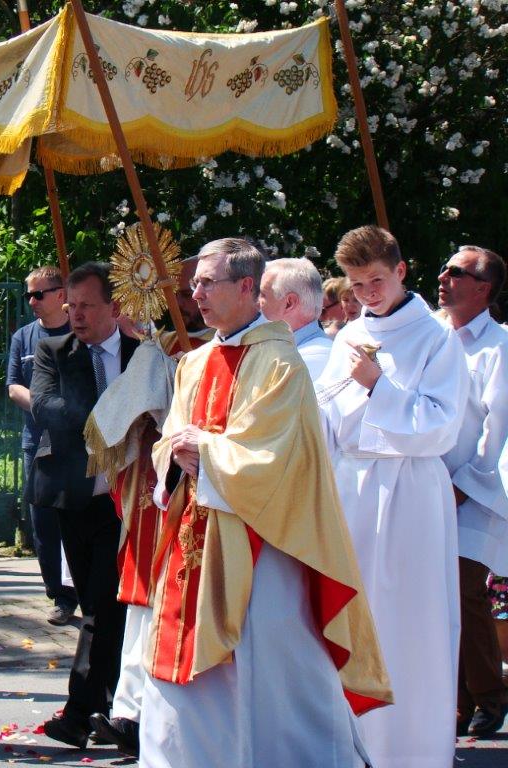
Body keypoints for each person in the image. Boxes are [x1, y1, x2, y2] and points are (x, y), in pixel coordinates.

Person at [143, 238, 391, 768]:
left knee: (270, 671)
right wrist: (174, 453)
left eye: (208, 283)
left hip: (261, 544)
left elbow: (273, 460)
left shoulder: (281, 364)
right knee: (189, 680)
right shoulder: (195, 361)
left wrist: (200, 450)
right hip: (195, 538)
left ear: (248, 288)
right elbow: (169, 440)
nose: (195, 293)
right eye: (195, 283)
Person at [317, 225, 469, 768]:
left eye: (377, 280)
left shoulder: (437, 337)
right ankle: (353, 747)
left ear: (401, 271)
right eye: (357, 286)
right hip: (351, 486)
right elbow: (326, 416)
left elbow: (442, 426)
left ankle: (413, 751)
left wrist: (379, 385)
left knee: (410, 624)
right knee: (354, 620)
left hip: (409, 492)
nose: (368, 295)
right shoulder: (346, 336)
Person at [30, 262, 139, 748]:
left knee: (104, 606)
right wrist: (110, 415)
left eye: (87, 307)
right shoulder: (54, 351)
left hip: (129, 502)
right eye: (71, 307)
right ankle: (118, 714)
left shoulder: (143, 354)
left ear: (115, 307)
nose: (76, 316)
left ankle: (81, 713)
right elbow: (46, 407)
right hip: (76, 498)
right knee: (100, 606)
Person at [83, 318, 179, 757]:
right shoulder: (161, 346)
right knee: (141, 609)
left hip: (193, 495)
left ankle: (154, 716)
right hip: (150, 494)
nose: (190, 300)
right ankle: (128, 714)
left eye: (196, 289)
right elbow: (119, 416)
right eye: (182, 292)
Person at [436, 245, 508, 737]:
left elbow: (496, 428)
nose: (443, 276)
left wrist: (461, 487)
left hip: (471, 493)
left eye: (456, 272)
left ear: (482, 289)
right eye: (444, 268)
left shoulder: (500, 346)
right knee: (433, 594)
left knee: (462, 591)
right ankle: (453, 701)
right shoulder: (434, 338)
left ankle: (487, 695)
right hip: (422, 488)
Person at [6, 265, 76, 625]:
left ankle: (85, 586)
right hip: (39, 439)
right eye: (28, 294)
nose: (31, 300)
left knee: (80, 514)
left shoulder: (80, 331)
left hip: (80, 440)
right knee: (43, 518)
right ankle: (60, 596)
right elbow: (13, 385)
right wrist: (42, 404)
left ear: (60, 294)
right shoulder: (23, 337)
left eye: (39, 294)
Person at [259, 257, 333, 381]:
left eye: (262, 295)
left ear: (289, 303)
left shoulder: (307, 361)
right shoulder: (288, 352)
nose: (254, 303)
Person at [159, 257, 215, 357]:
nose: (177, 303)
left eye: (187, 295)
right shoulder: (163, 342)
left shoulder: (231, 344)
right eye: (173, 295)